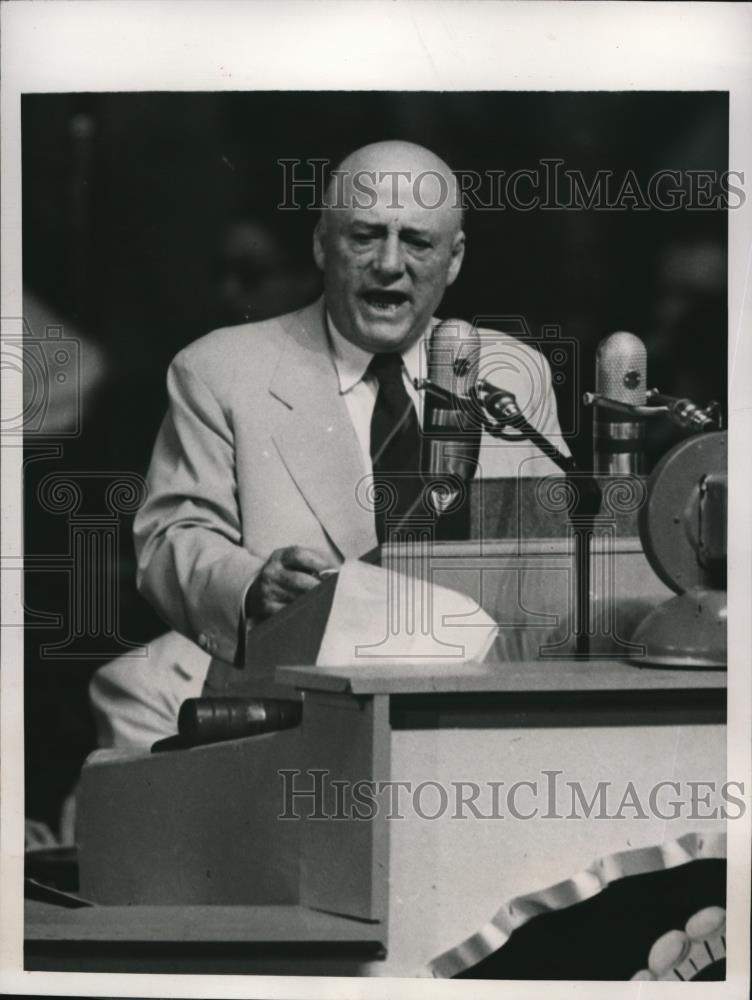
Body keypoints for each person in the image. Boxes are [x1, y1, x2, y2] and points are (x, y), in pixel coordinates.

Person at [90, 140, 568, 748]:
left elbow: (551, 555)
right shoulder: (220, 369)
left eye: (417, 242)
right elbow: (171, 538)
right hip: (301, 724)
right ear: (321, 245)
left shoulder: (510, 374)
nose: (389, 264)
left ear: (453, 259)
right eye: (365, 236)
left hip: (477, 724)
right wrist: (252, 583)